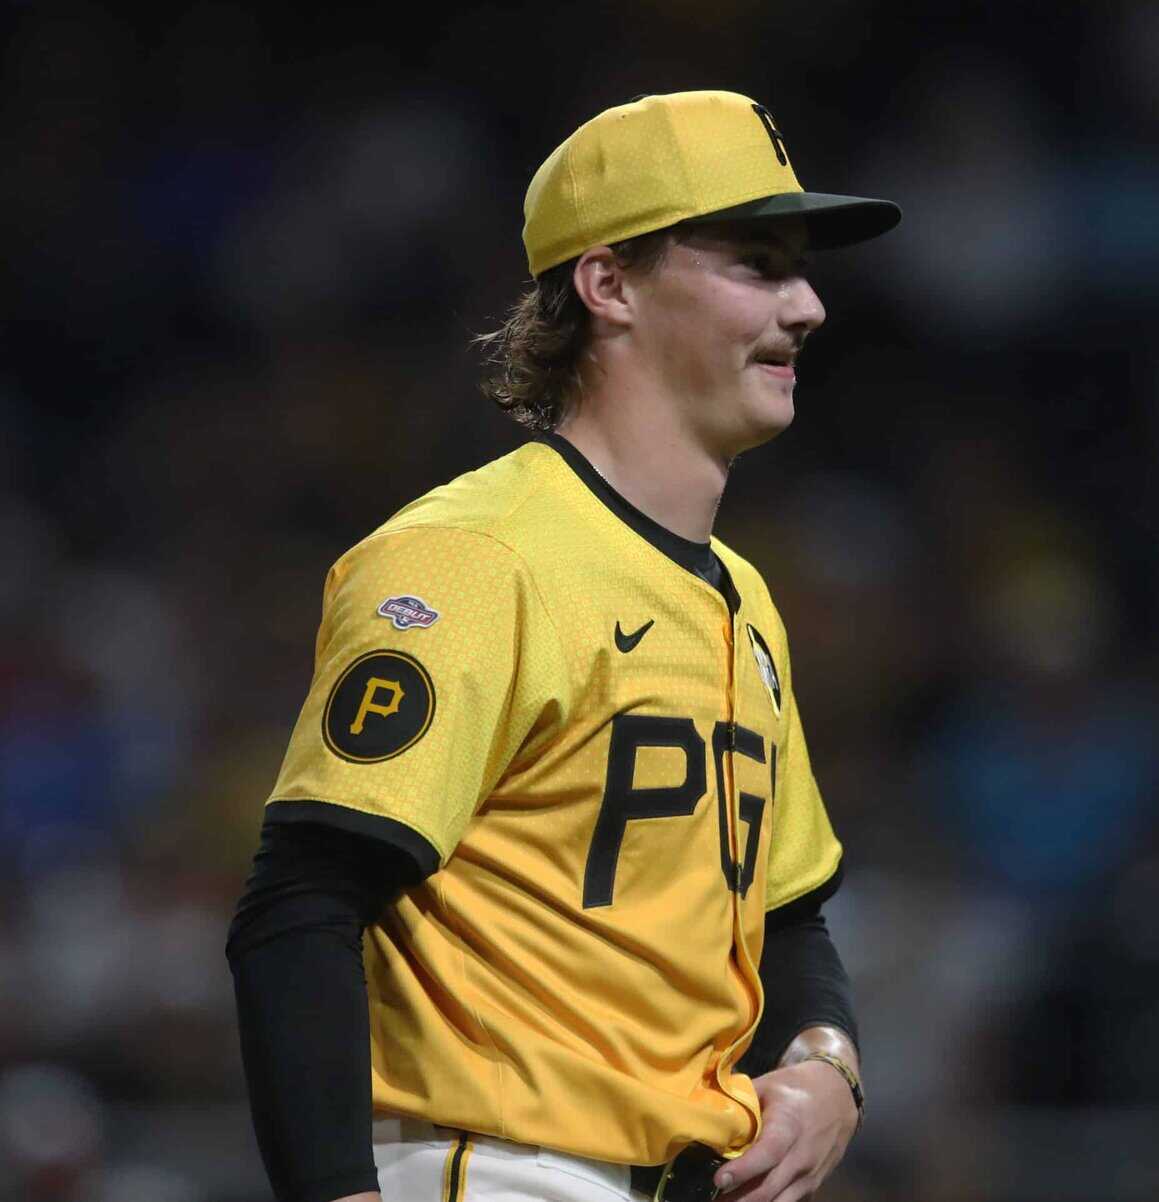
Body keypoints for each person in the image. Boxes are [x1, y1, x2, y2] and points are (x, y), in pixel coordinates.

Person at [226, 89, 899, 1202]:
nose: (809, 305)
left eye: (801, 270)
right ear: (609, 284)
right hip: (492, 1164)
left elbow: (785, 915)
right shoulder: (478, 557)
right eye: (756, 263)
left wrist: (828, 1064)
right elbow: (304, 898)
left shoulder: (743, 597)